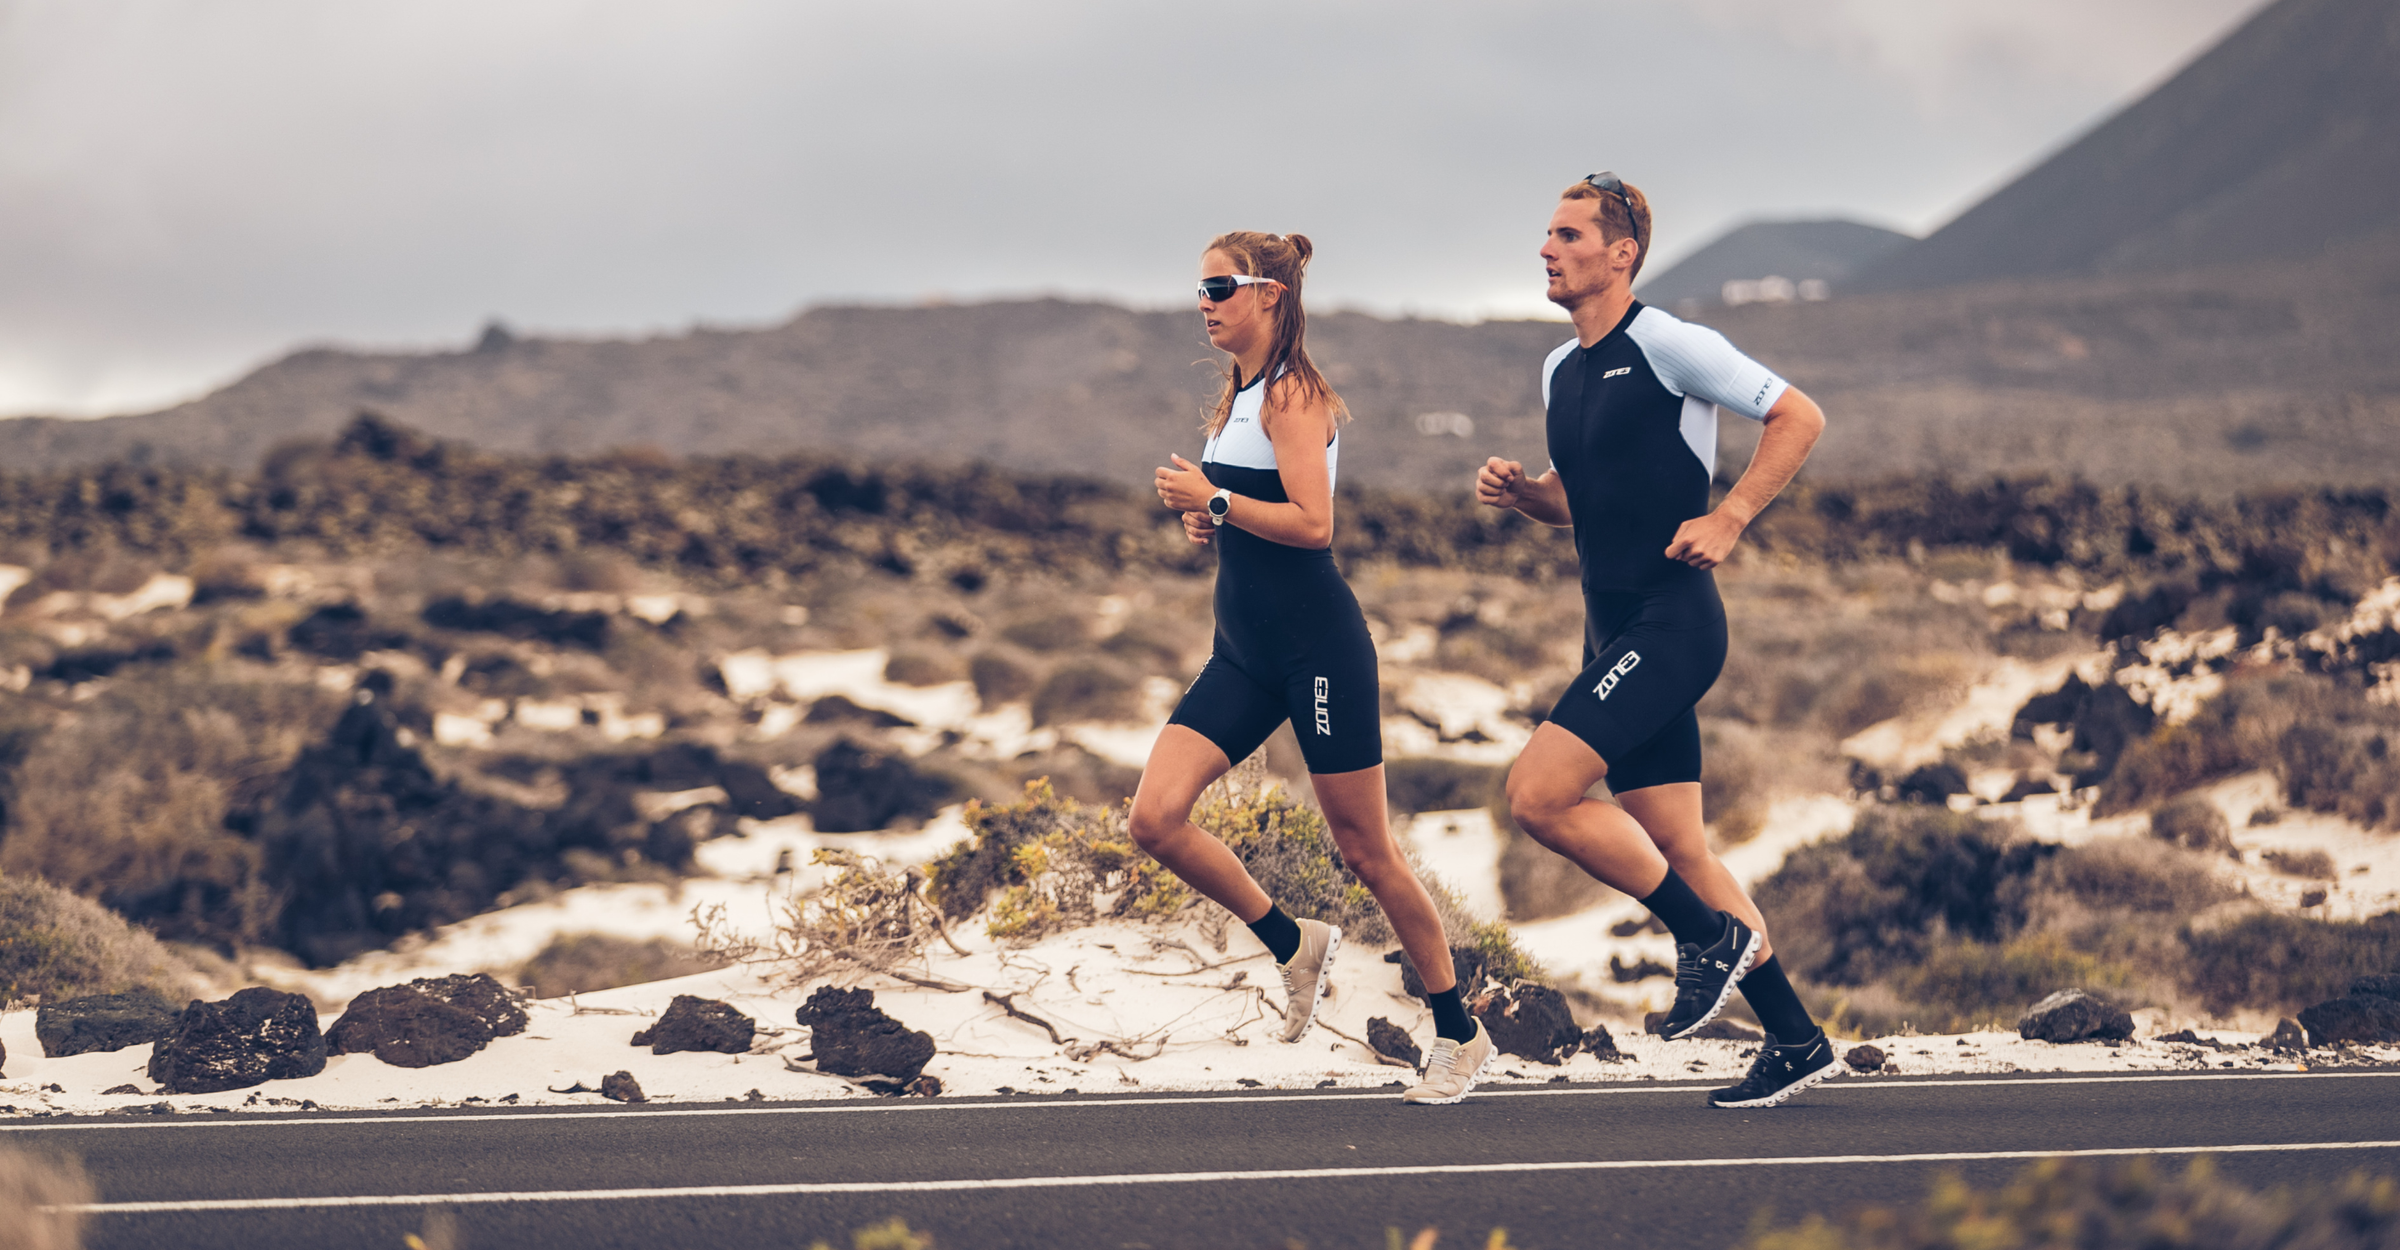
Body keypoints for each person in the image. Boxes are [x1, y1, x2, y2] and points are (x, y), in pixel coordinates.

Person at [1476, 174, 1835, 1109]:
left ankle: (1706, 937)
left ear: (1619, 253)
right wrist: (1528, 495)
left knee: (1539, 794)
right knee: (1680, 846)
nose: (1546, 251)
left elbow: (1799, 415)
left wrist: (1733, 517)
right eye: (1545, 235)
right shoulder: (1561, 370)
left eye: (1566, 235)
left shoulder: (1669, 343)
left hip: (1673, 623)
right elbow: (1579, 499)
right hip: (1611, 628)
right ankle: (1794, 1039)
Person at [1143, 231, 1493, 1104]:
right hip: (1245, 654)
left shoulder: (1293, 395)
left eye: (1219, 287)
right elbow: (1252, 516)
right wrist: (1208, 519)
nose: (1205, 302)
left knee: (1367, 849)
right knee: (1154, 819)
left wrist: (1216, 498)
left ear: (1269, 295)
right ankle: (1293, 941)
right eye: (1201, 288)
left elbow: (1313, 524)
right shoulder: (1238, 394)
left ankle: (1459, 1031)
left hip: (1317, 652)